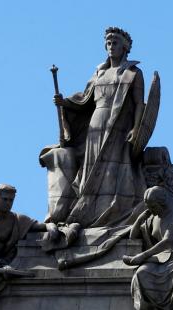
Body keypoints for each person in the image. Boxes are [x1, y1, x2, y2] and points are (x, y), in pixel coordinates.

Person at [44, 26, 146, 228]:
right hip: (96, 122)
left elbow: (139, 104)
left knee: (112, 168)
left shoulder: (133, 73)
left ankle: (108, 212)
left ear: (125, 47)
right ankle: (86, 210)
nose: (111, 46)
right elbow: (85, 101)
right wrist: (64, 103)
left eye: (115, 42)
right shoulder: (99, 73)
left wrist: (136, 128)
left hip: (118, 125)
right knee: (91, 168)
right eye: (108, 43)